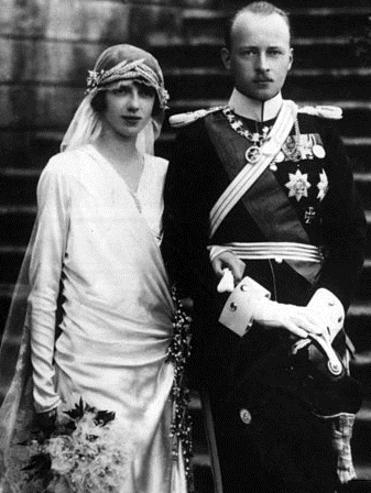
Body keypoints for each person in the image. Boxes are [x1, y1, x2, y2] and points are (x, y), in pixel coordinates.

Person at [162, 2, 366, 492]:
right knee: (247, 473)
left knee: (314, 475)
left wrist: (325, 307)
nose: (263, 65)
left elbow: (349, 238)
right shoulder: (197, 141)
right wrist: (259, 309)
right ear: (225, 59)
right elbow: (182, 248)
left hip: (312, 330)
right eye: (249, 52)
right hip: (237, 332)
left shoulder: (323, 134)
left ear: (292, 59)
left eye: (274, 52)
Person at [0, 44, 190, 492]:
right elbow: (44, 289)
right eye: (121, 91)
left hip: (155, 372)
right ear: (98, 97)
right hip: (87, 370)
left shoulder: (167, 175)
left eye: (144, 92)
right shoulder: (66, 173)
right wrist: (44, 391)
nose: (133, 104)